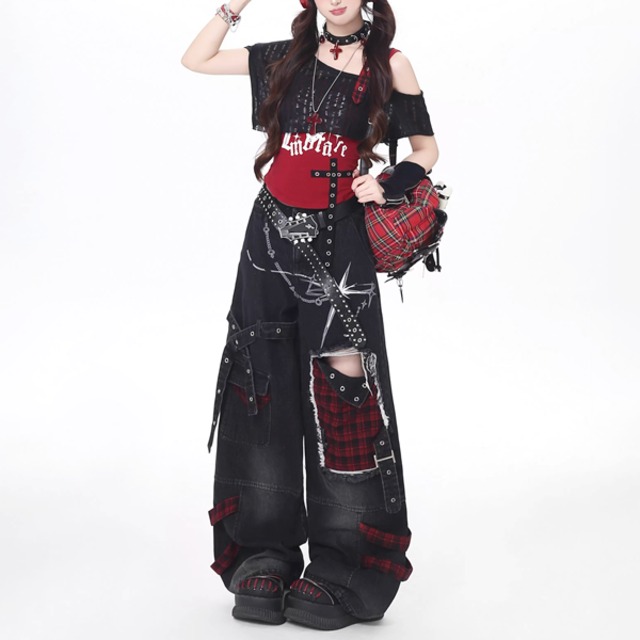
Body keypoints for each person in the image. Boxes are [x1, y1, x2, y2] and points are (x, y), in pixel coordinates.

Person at [181, 0, 439, 630]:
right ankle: (262, 550)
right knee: (259, 378)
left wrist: (389, 182)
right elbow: (196, 59)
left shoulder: (390, 65)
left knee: (343, 390)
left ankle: (346, 562)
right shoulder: (284, 58)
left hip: (340, 239)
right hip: (268, 234)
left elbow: (427, 148)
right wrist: (235, 5)